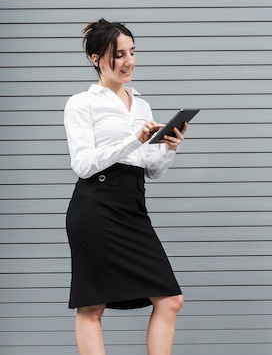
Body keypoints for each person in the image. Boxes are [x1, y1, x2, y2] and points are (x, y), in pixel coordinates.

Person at [63, 18, 186, 355]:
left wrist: (168, 148)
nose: (129, 61)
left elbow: (151, 169)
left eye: (132, 52)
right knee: (92, 305)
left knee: (170, 300)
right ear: (96, 59)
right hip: (95, 205)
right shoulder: (81, 103)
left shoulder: (142, 105)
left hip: (132, 206)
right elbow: (83, 164)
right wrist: (134, 139)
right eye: (119, 54)